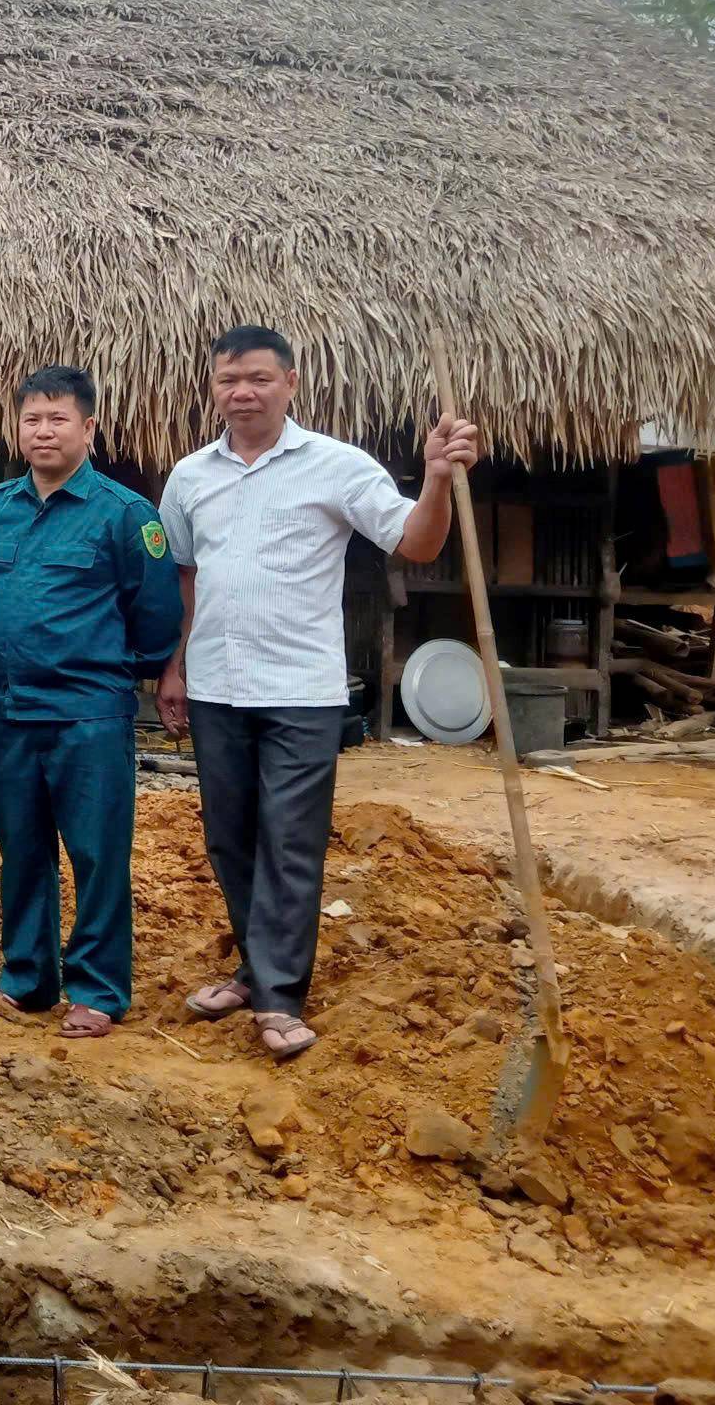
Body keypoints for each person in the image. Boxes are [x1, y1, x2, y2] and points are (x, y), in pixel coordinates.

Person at [157, 325, 477, 1061]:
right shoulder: (189, 477)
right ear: (213, 387)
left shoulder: (336, 465)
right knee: (230, 837)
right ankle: (254, 970)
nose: (243, 392)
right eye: (229, 379)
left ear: (291, 383)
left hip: (300, 689)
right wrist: (176, 665)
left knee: (290, 840)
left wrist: (435, 479)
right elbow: (187, 577)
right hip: (216, 685)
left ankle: (278, 997)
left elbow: (418, 543)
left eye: (259, 378)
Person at [0, 366, 183, 1038]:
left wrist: (115, 674)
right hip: (11, 713)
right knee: (22, 850)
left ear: (88, 427)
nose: (44, 432)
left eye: (58, 419)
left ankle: (98, 988)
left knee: (96, 855)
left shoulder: (125, 514)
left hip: (89, 714)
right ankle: (27, 978)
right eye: (32, 419)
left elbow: (157, 615)